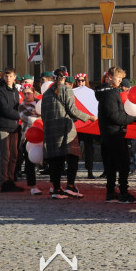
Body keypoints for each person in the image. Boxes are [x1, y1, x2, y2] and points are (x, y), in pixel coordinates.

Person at [42, 67, 96, 199]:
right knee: (73, 157)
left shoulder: (46, 93)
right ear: (65, 77)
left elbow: (43, 114)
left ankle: (56, 189)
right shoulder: (67, 90)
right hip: (66, 129)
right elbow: (72, 110)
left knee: (55, 160)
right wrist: (89, 117)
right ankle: (70, 186)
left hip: (50, 129)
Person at [96, 67, 136, 204]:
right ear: (109, 77)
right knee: (122, 164)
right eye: (117, 77)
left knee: (111, 164)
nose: (120, 80)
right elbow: (115, 116)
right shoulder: (110, 94)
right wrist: (132, 118)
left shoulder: (106, 92)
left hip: (109, 133)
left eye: (121, 78)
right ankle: (123, 193)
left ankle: (111, 192)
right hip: (114, 133)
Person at [0, 67, 22, 192]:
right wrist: (20, 115)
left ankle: (11, 179)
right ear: (4, 77)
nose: (8, 79)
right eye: (6, 76)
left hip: (14, 126)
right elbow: (4, 109)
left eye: (11, 76)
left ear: (15, 77)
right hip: (3, 125)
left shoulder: (15, 90)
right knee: (5, 155)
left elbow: (17, 106)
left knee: (14, 155)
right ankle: (4, 181)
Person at [73, 73, 98, 179]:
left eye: (82, 80)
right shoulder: (72, 92)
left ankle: (90, 170)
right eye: (78, 80)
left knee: (89, 149)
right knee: (74, 148)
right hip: (76, 125)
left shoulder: (91, 93)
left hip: (88, 124)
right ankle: (73, 170)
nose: (80, 83)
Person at [18, 86, 41, 194]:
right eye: (25, 93)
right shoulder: (21, 106)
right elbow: (28, 119)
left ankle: (53, 185)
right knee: (29, 160)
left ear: (33, 92)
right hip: (28, 136)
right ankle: (32, 185)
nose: (27, 95)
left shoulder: (40, 103)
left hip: (42, 135)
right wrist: (40, 118)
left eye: (29, 93)